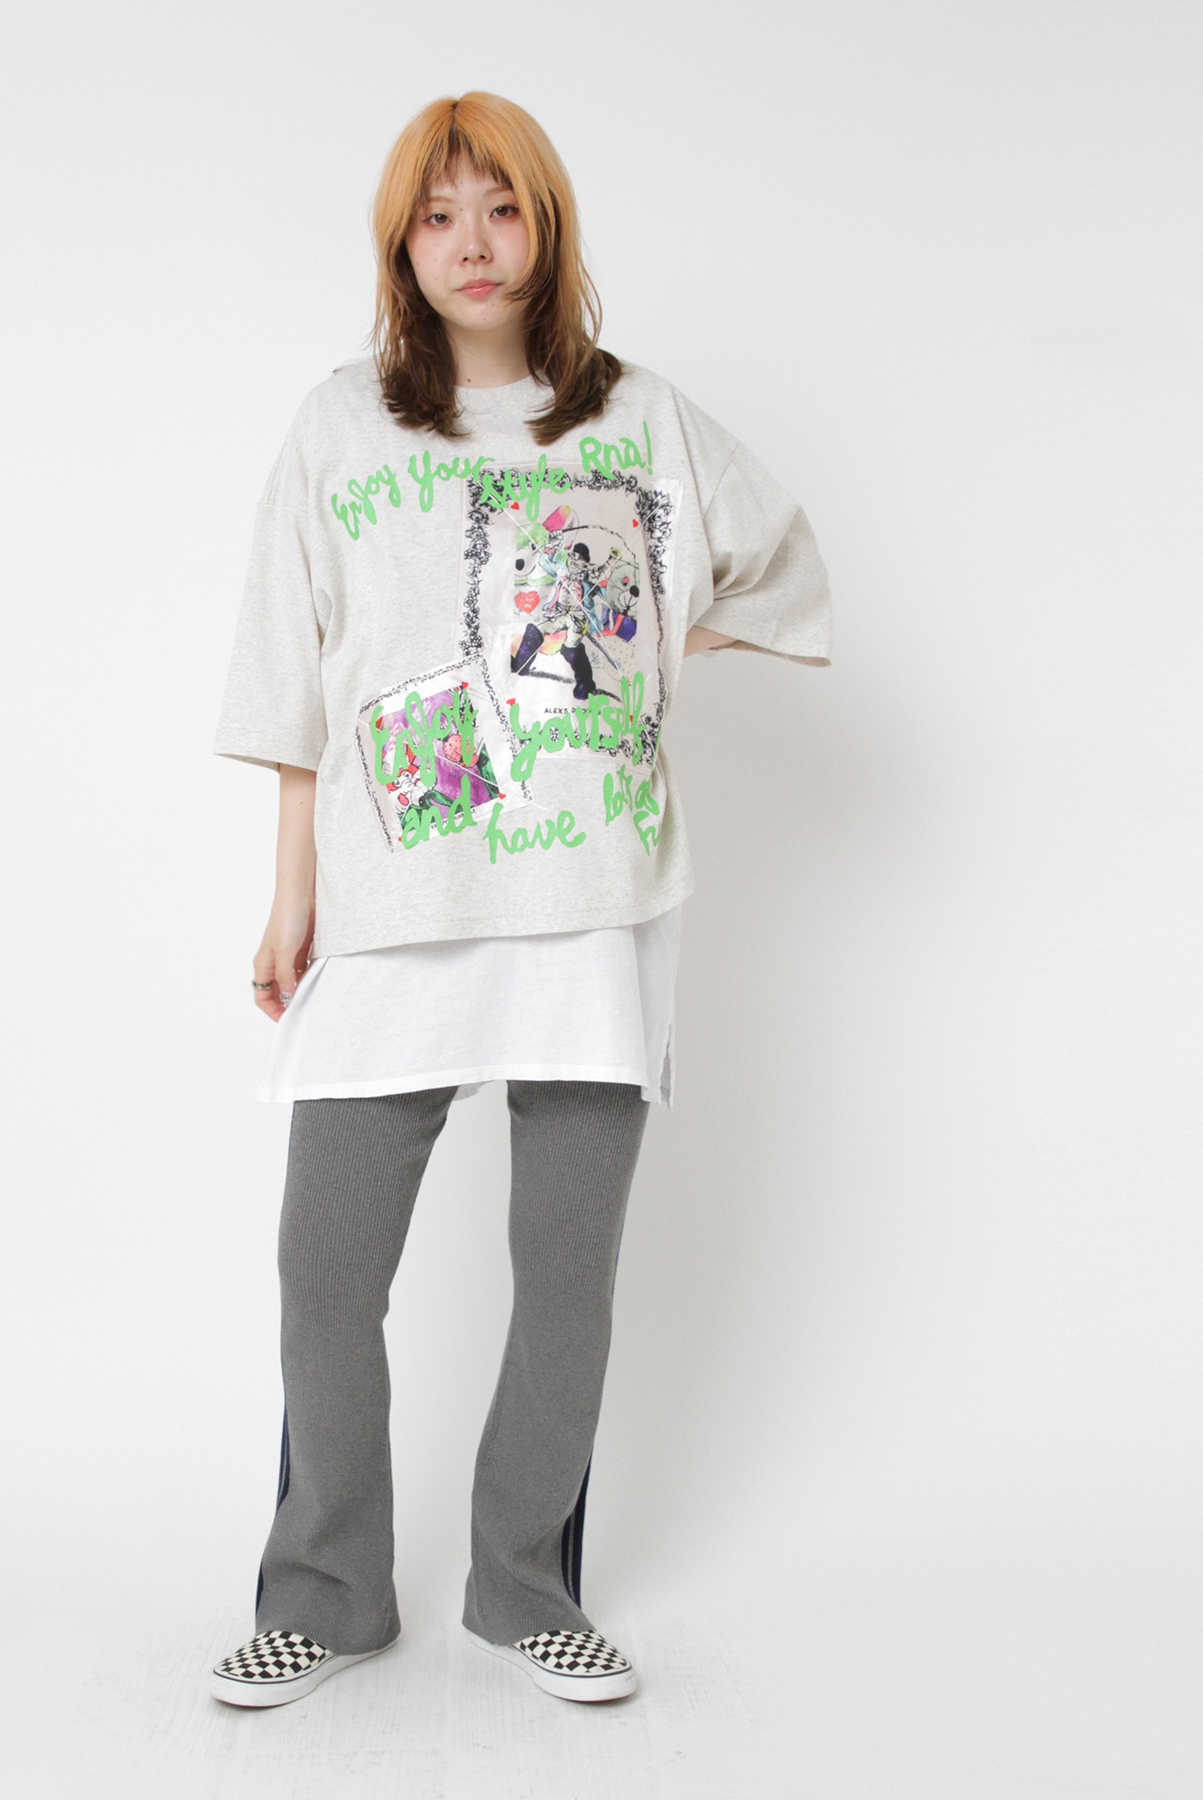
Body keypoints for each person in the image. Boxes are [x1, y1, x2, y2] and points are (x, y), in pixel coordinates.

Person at [209, 91, 831, 1709]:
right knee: (325, 1271)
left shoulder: (635, 417)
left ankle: (521, 1586)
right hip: (394, 894)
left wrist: (646, 640)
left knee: (565, 1275)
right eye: (438, 215)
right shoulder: (343, 425)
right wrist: (290, 896)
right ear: (399, 247)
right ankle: (329, 1592)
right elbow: (293, 668)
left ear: (545, 228)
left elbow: (775, 560)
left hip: (590, 902)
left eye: (501, 208)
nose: (471, 244)